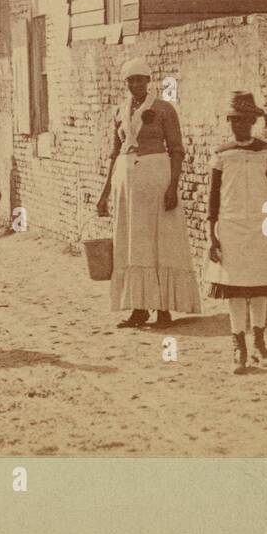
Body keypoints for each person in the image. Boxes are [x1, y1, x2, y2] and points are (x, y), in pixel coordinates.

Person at [95, 57, 199, 330]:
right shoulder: (119, 111)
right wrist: (104, 192)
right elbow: (114, 153)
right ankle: (138, 309)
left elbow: (176, 149)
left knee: (160, 241)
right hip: (127, 181)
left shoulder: (164, 109)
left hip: (156, 177)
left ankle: (163, 309)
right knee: (132, 242)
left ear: (148, 81)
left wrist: (173, 186)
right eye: (131, 80)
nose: (136, 85)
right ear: (125, 83)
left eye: (140, 79)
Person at [207, 91, 267, 374]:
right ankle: (238, 347)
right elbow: (212, 199)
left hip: (261, 225)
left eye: (245, 120)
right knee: (235, 289)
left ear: (253, 122)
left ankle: (259, 344)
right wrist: (212, 234)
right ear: (229, 121)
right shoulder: (221, 154)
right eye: (234, 120)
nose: (239, 125)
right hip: (230, 226)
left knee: (259, 287)